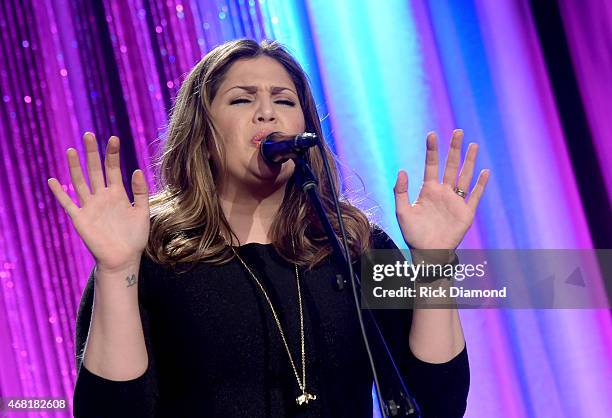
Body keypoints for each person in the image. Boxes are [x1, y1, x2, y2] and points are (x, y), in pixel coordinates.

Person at [47, 39, 489, 417]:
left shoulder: (354, 244)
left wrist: (434, 262)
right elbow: (111, 411)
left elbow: (438, 401)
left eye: (284, 100)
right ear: (202, 133)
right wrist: (115, 269)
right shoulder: (153, 252)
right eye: (242, 99)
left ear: (305, 128)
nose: (267, 113)